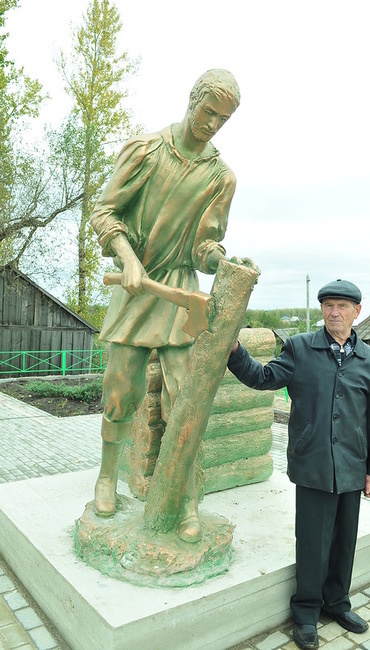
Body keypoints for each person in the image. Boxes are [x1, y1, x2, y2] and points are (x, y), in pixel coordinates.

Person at [90, 69, 248, 543]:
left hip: (180, 296)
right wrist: (127, 257)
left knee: (187, 396)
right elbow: (105, 210)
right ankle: (106, 475)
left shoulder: (220, 177)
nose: (212, 125)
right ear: (192, 100)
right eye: (208, 112)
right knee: (120, 388)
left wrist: (221, 259)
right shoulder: (146, 151)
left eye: (223, 119)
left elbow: (205, 244)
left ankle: (185, 499)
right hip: (136, 286)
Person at [228, 279, 370, 650]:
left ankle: (337, 604)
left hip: (352, 465)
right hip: (313, 463)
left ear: (356, 312)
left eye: (343, 306)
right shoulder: (300, 348)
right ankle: (305, 613)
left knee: (344, 542)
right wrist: (234, 350)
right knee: (313, 543)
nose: (335, 312)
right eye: (329, 305)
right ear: (321, 311)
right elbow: (263, 377)